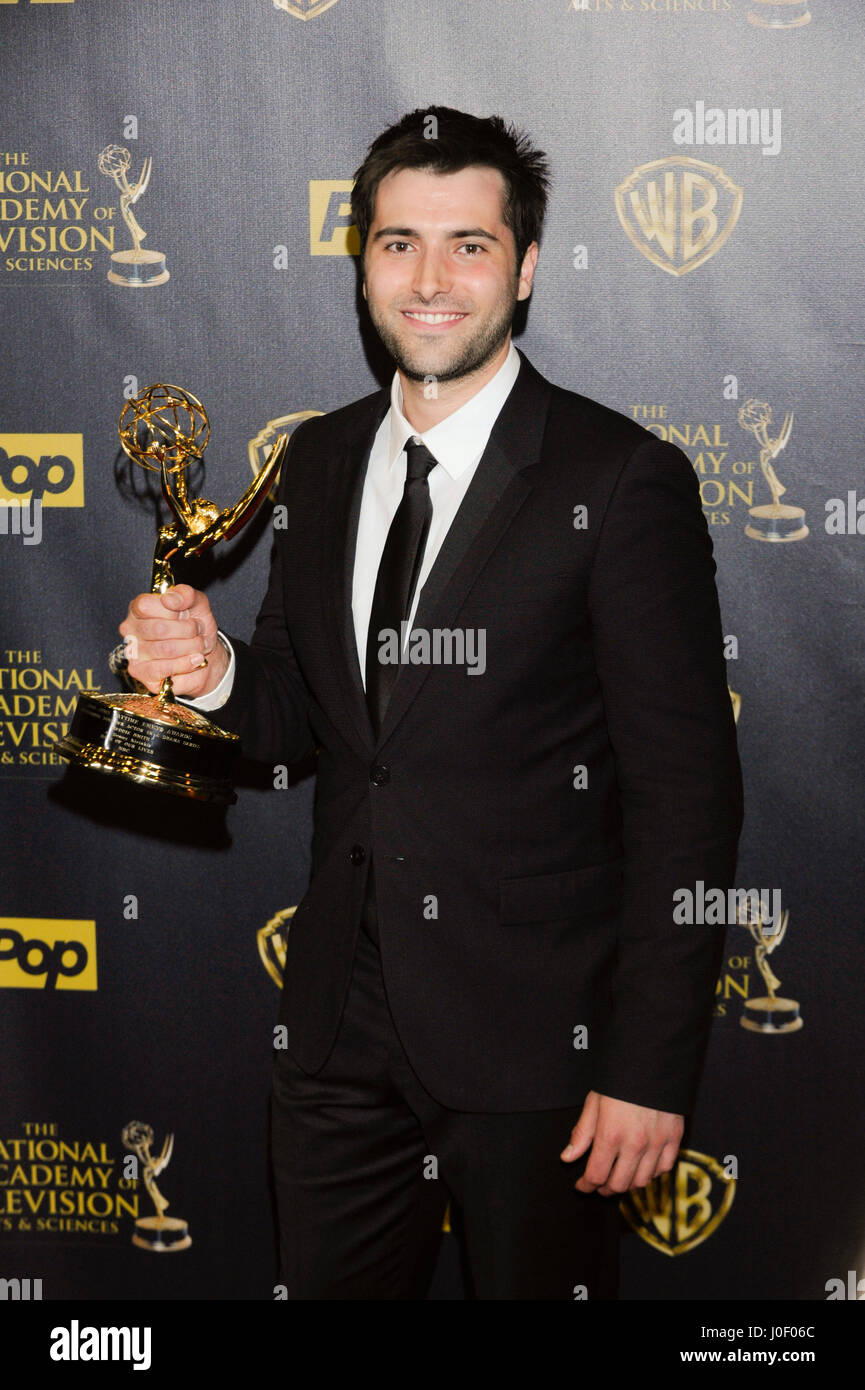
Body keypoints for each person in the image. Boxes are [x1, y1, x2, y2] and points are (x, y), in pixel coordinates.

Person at [117, 107, 744, 1300]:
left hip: (539, 1050)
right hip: (336, 1035)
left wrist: (651, 1066)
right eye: (399, 243)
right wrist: (213, 676)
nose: (432, 279)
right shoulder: (316, 458)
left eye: (468, 244)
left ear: (526, 267)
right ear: (361, 265)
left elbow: (689, 800)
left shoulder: (616, 480)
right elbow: (302, 720)